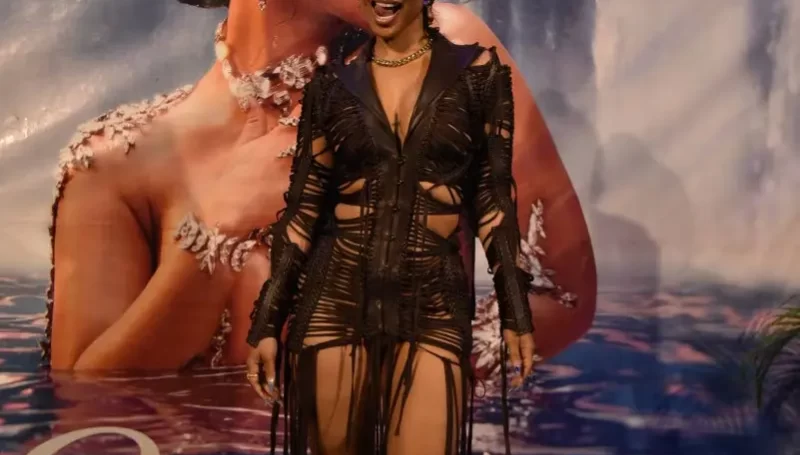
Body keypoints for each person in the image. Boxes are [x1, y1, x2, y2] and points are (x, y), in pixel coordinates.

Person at [46, 0, 595, 373]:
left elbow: (558, 298)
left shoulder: (447, 57)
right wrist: (213, 248)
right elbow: (82, 417)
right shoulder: (110, 166)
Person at [243, 1, 583, 455]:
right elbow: (304, 210)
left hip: (433, 303)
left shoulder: (478, 75)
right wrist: (267, 321)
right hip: (334, 301)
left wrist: (515, 311)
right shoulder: (333, 85)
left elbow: (492, 200)